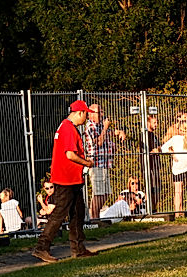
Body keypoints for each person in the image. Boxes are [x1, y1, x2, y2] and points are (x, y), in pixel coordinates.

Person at [31, 100, 97, 263]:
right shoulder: (68, 128)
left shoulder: (66, 126)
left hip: (72, 179)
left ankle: (78, 248)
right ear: (80, 112)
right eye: (86, 114)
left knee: (78, 213)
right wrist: (86, 163)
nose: (86, 118)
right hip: (66, 178)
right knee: (60, 213)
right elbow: (70, 154)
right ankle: (41, 247)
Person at [83, 101, 123, 221]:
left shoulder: (100, 126)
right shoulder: (90, 127)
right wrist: (105, 128)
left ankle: (96, 216)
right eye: (98, 112)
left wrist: (119, 132)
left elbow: (110, 135)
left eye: (101, 112)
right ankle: (94, 218)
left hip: (105, 163)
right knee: (98, 193)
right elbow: (99, 142)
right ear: (91, 114)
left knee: (106, 193)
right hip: (96, 164)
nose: (101, 114)